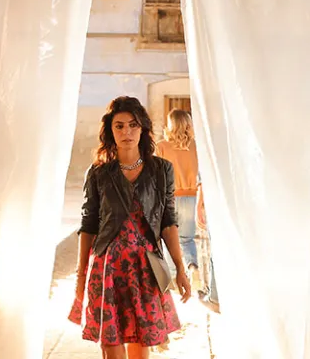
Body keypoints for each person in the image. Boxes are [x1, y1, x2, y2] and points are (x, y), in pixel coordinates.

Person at [68, 96, 191, 359]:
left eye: (133, 125)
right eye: (120, 126)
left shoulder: (161, 170)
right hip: (107, 268)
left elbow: (168, 221)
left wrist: (180, 268)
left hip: (145, 268)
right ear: (110, 131)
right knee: (111, 346)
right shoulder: (98, 173)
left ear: (143, 128)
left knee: (142, 344)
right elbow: (88, 225)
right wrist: (81, 276)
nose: (127, 132)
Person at [155, 109, 201, 290]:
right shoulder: (196, 146)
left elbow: (156, 177)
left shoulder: (161, 147)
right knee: (187, 239)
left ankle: (174, 277)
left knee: (169, 239)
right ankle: (192, 267)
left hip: (170, 198)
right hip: (191, 197)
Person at [196, 181, 220, 314]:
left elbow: (204, 178)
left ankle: (215, 299)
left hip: (216, 197)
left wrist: (199, 202)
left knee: (217, 249)